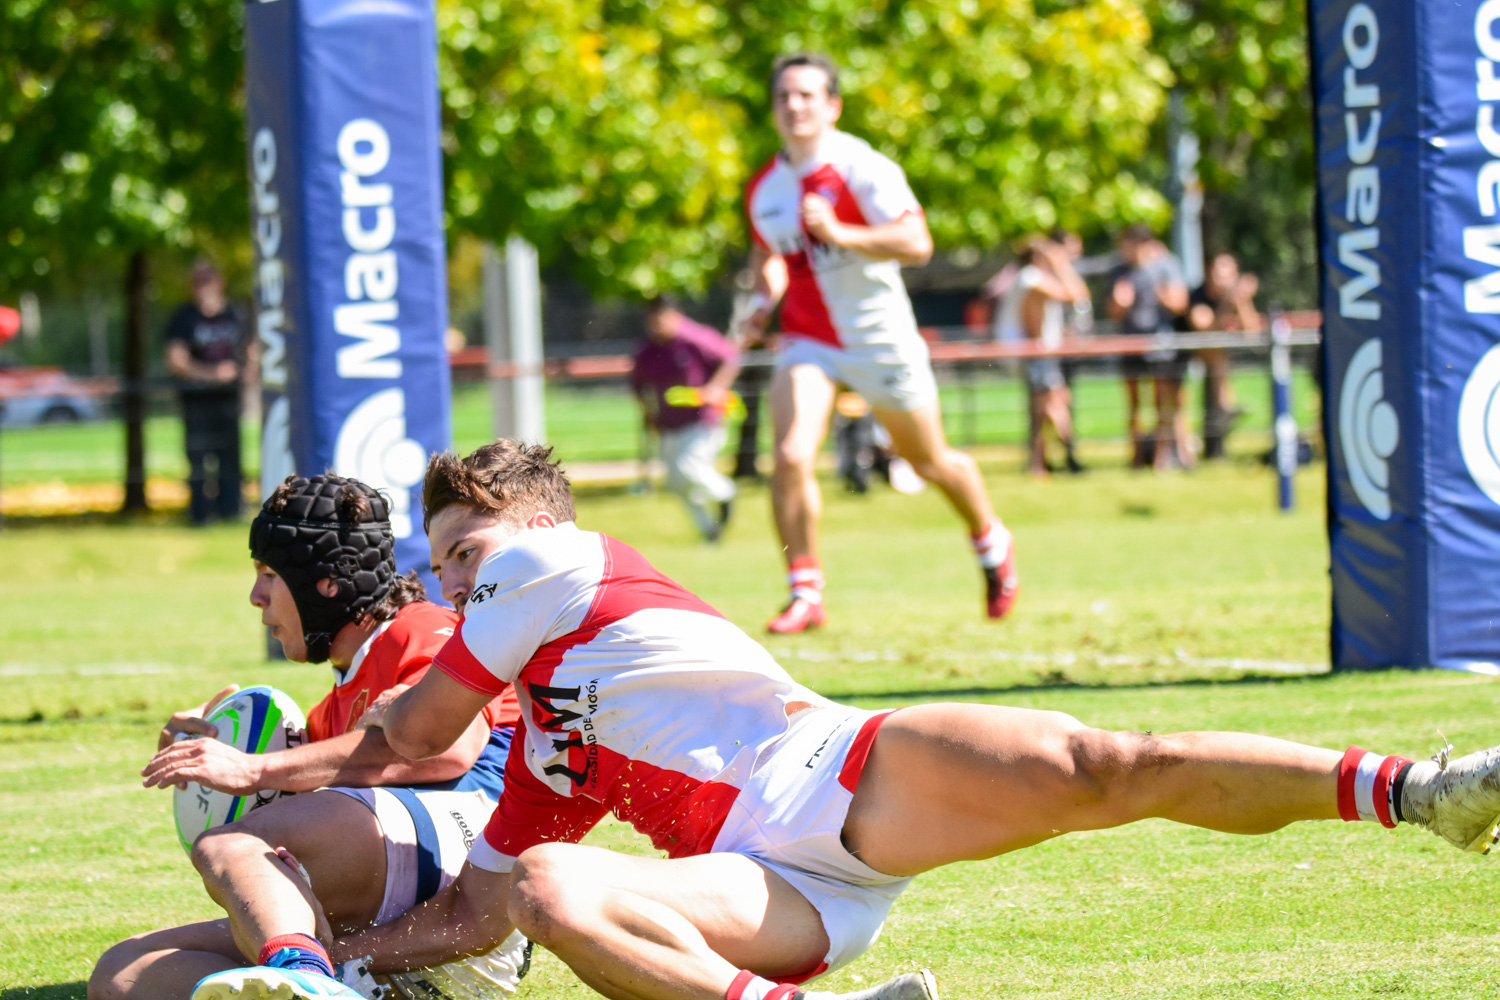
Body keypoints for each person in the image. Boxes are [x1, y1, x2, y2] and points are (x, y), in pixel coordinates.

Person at [191, 440, 1500, 1000]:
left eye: (470, 547)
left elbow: (410, 733)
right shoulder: (541, 727)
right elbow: (481, 912)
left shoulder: (551, 570)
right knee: (549, 883)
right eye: (447, 558)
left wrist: (254, 769)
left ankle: (1423, 792)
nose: (461, 576)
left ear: (539, 534)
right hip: (767, 893)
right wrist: (350, 969)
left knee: (1111, 765)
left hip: (836, 771)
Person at [90, 474, 529, 1000]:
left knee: (235, 844)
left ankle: (306, 977)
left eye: (269, 574)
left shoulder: (424, 626)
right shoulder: (332, 711)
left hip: (475, 866)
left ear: (325, 581)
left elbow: (449, 747)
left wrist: (252, 770)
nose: (256, 598)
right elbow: (305, 796)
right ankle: (338, 984)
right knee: (125, 972)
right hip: (393, 918)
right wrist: (216, 742)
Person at [739, 52, 1018, 634]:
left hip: (880, 337)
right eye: (784, 96)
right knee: (790, 454)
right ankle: (806, 591)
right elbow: (772, 257)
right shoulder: (766, 189)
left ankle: (991, 540)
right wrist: (764, 302)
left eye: (807, 95)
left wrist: (840, 231)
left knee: (929, 461)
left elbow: (917, 242)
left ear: (833, 106)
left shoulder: (863, 167)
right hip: (809, 338)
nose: (794, 105)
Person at [632, 295, 741, 542]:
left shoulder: (695, 337)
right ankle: (709, 529)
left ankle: (725, 492)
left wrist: (715, 388)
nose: (659, 324)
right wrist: (648, 415)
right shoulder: (646, 349)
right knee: (674, 482)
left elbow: (731, 358)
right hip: (669, 423)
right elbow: (639, 387)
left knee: (689, 467)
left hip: (702, 419)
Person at [993, 238, 1089, 477]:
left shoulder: (1028, 277)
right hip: (1035, 354)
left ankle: (1042, 463)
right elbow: (1076, 296)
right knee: (1049, 405)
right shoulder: (1032, 278)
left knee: (1047, 406)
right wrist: (1062, 266)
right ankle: (1061, 458)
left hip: (1037, 353)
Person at [165, 261, 249, 525]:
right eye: (199, 281)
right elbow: (176, 359)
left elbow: (252, 349)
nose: (205, 287)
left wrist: (244, 370)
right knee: (198, 458)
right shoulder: (184, 318)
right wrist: (212, 375)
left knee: (231, 457)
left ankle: (231, 511)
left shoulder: (236, 314)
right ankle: (200, 514)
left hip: (229, 400)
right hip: (197, 400)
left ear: (220, 282)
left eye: (209, 280)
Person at [1106, 226, 1190, 470]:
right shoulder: (1120, 270)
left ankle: (1161, 459)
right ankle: (1136, 458)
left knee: (1161, 403)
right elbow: (1113, 311)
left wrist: (1164, 296)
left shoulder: (1166, 265)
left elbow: (1180, 303)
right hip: (1129, 342)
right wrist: (1120, 302)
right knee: (1133, 404)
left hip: (1160, 343)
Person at [1186, 252, 1261, 459]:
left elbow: (1252, 333)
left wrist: (1242, 302)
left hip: (1217, 358)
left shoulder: (1235, 299)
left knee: (1219, 358)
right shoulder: (1198, 296)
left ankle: (1225, 410)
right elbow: (1205, 329)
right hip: (1183, 356)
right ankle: (1225, 407)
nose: (1222, 281)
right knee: (1217, 356)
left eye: (1228, 275)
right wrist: (1229, 303)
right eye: (1218, 274)